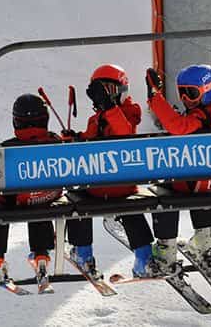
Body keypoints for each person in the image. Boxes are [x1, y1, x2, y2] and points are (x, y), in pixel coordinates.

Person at [63, 64, 155, 278]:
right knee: (76, 202)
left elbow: (124, 133)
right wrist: (75, 138)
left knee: (129, 207)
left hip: (120, 186)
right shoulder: (96, 120)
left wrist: (109, 107)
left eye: (107, 91)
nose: (101, 97)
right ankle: (84, 254)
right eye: (98, 92)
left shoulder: (130, 113)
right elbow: (89, 140)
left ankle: (144, 257)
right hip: (98, 185)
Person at [145, 64, 211, 270]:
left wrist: (155, 97)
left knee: (165, 191)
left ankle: (165, 250)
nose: (186, 99)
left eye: (191, 93)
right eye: (182, 93)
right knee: (200, 176)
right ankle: (203, 242)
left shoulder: (202, 116)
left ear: (208, 90)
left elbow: (178, 127)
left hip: (197, 183)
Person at [0, 93, 63, 282]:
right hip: (48, 197)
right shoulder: (56, 142)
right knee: (40, 202)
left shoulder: (7, 149)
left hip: (17, 201)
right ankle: (41, 255)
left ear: (17, 122)